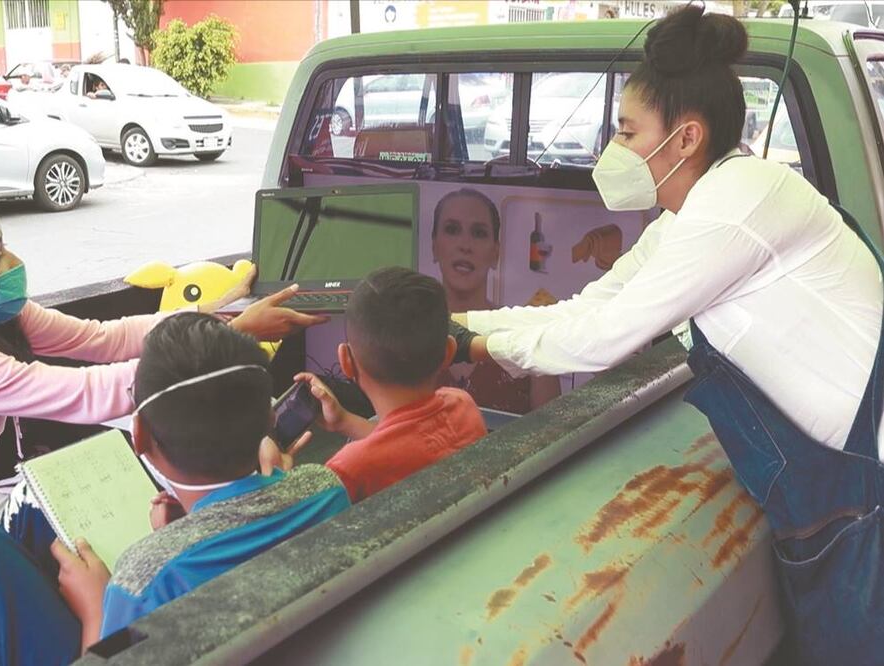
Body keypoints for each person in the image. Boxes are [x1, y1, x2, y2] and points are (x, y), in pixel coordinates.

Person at [449, 6, 884, 662]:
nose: (614, 148)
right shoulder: (693, 213)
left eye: (627, 132)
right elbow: (587, 306)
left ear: (684, 139)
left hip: (862, 496)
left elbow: (602, 338)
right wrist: (460, 326)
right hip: (826, 492)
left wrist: (473, 350)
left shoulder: (732, 211)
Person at [0, 199, 323, 585]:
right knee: (89, 529)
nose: (10, 263)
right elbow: (86, 392)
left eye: (2, 245)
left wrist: (220, 317)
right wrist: (230, 337)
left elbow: (104, 339)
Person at [0, 313, 350, 665]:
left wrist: (97, 607)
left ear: (140, 436)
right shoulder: (326, 487)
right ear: (267, 420)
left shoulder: (142, 579)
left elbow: (115, 651)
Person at [270, 267, 487, 502]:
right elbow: (409, 445)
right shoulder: (462, 405)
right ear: (449, 352)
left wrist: (273, 478)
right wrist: (344, 421)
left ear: (346, 361)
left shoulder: (347, 471)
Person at [430, 188, 560, 414]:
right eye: (452, 230)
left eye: (479, 233)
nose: (465, 245)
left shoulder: (529, 338)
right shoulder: (405, 336)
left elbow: (553, 431)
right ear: (434, 247)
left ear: (495, 254)